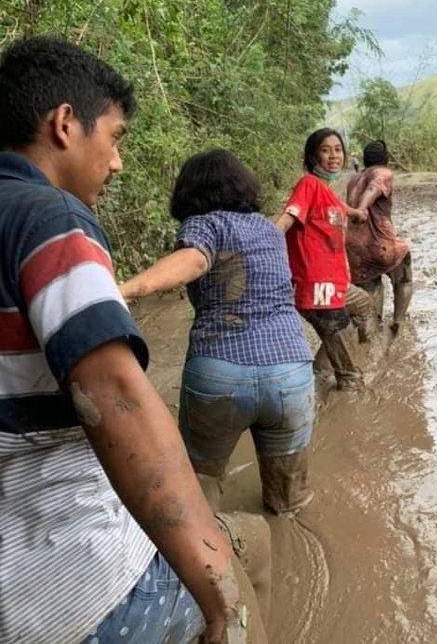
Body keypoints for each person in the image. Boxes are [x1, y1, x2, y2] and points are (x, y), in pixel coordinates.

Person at [0, 36, 266, 644]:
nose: (117, 162)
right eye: (115, 137)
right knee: (255, 556)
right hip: (79, 586)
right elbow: (118, 395)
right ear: (65, 124)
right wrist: (221, 593)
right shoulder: (50, 218)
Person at [120, 149, 315, 517]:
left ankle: (218, 560)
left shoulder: (203, 225)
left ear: (189, 192)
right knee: (289, 500)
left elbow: (194, 259)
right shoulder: (269, 230)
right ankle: (289, 554)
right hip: (291, 371)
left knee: (200, 487)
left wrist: (125, 290)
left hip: (220, 373)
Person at [275, 128, 371, 391]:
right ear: (312, 156)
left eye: (338, 150)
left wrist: (358, 213)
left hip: (336, 284)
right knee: (352, 381)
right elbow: (287, 219)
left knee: (363, 305)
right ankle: (338, 388)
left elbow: (342, 210)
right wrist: (264, 243)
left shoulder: (326, 191)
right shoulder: (308, 185)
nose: (333, 156)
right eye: (326, 150)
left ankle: (320, 370)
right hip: (317, 288)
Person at [345, 139, 412, 335]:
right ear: (386, 160)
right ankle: (398, 322)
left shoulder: (353, 179)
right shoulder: (383, 173)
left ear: (365, 160)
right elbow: (374, 188)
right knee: (404, 276)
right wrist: (361, 209)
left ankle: (372, 330)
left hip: (355, 249)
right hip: (381, 244)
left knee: (371, 289)